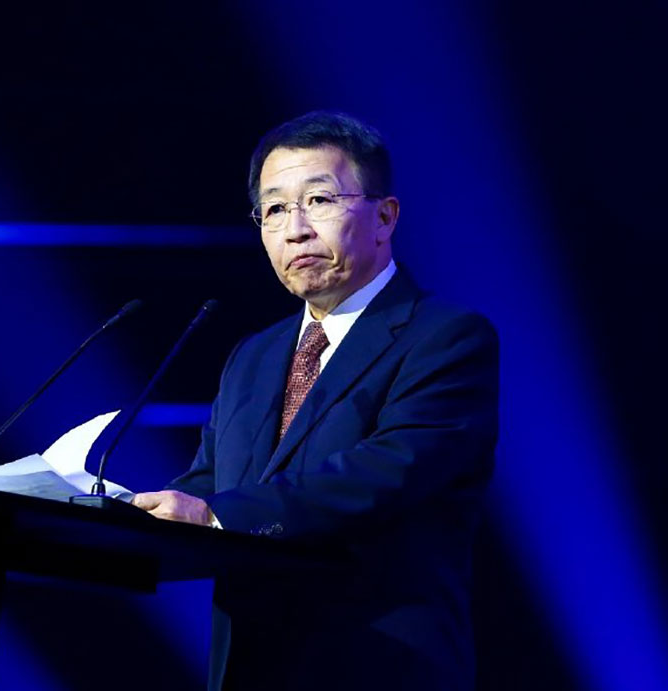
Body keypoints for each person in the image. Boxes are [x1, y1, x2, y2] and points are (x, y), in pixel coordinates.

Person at [132, 111, 499, 691]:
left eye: (319, 200)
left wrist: (217, 517)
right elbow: (211, 484)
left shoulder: (445, 337)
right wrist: (118, 514)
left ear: (385, 216)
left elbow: (386, 472)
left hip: (376, 670)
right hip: (250, 670)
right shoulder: (253, 356)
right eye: (275, 209)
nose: (295, 229)